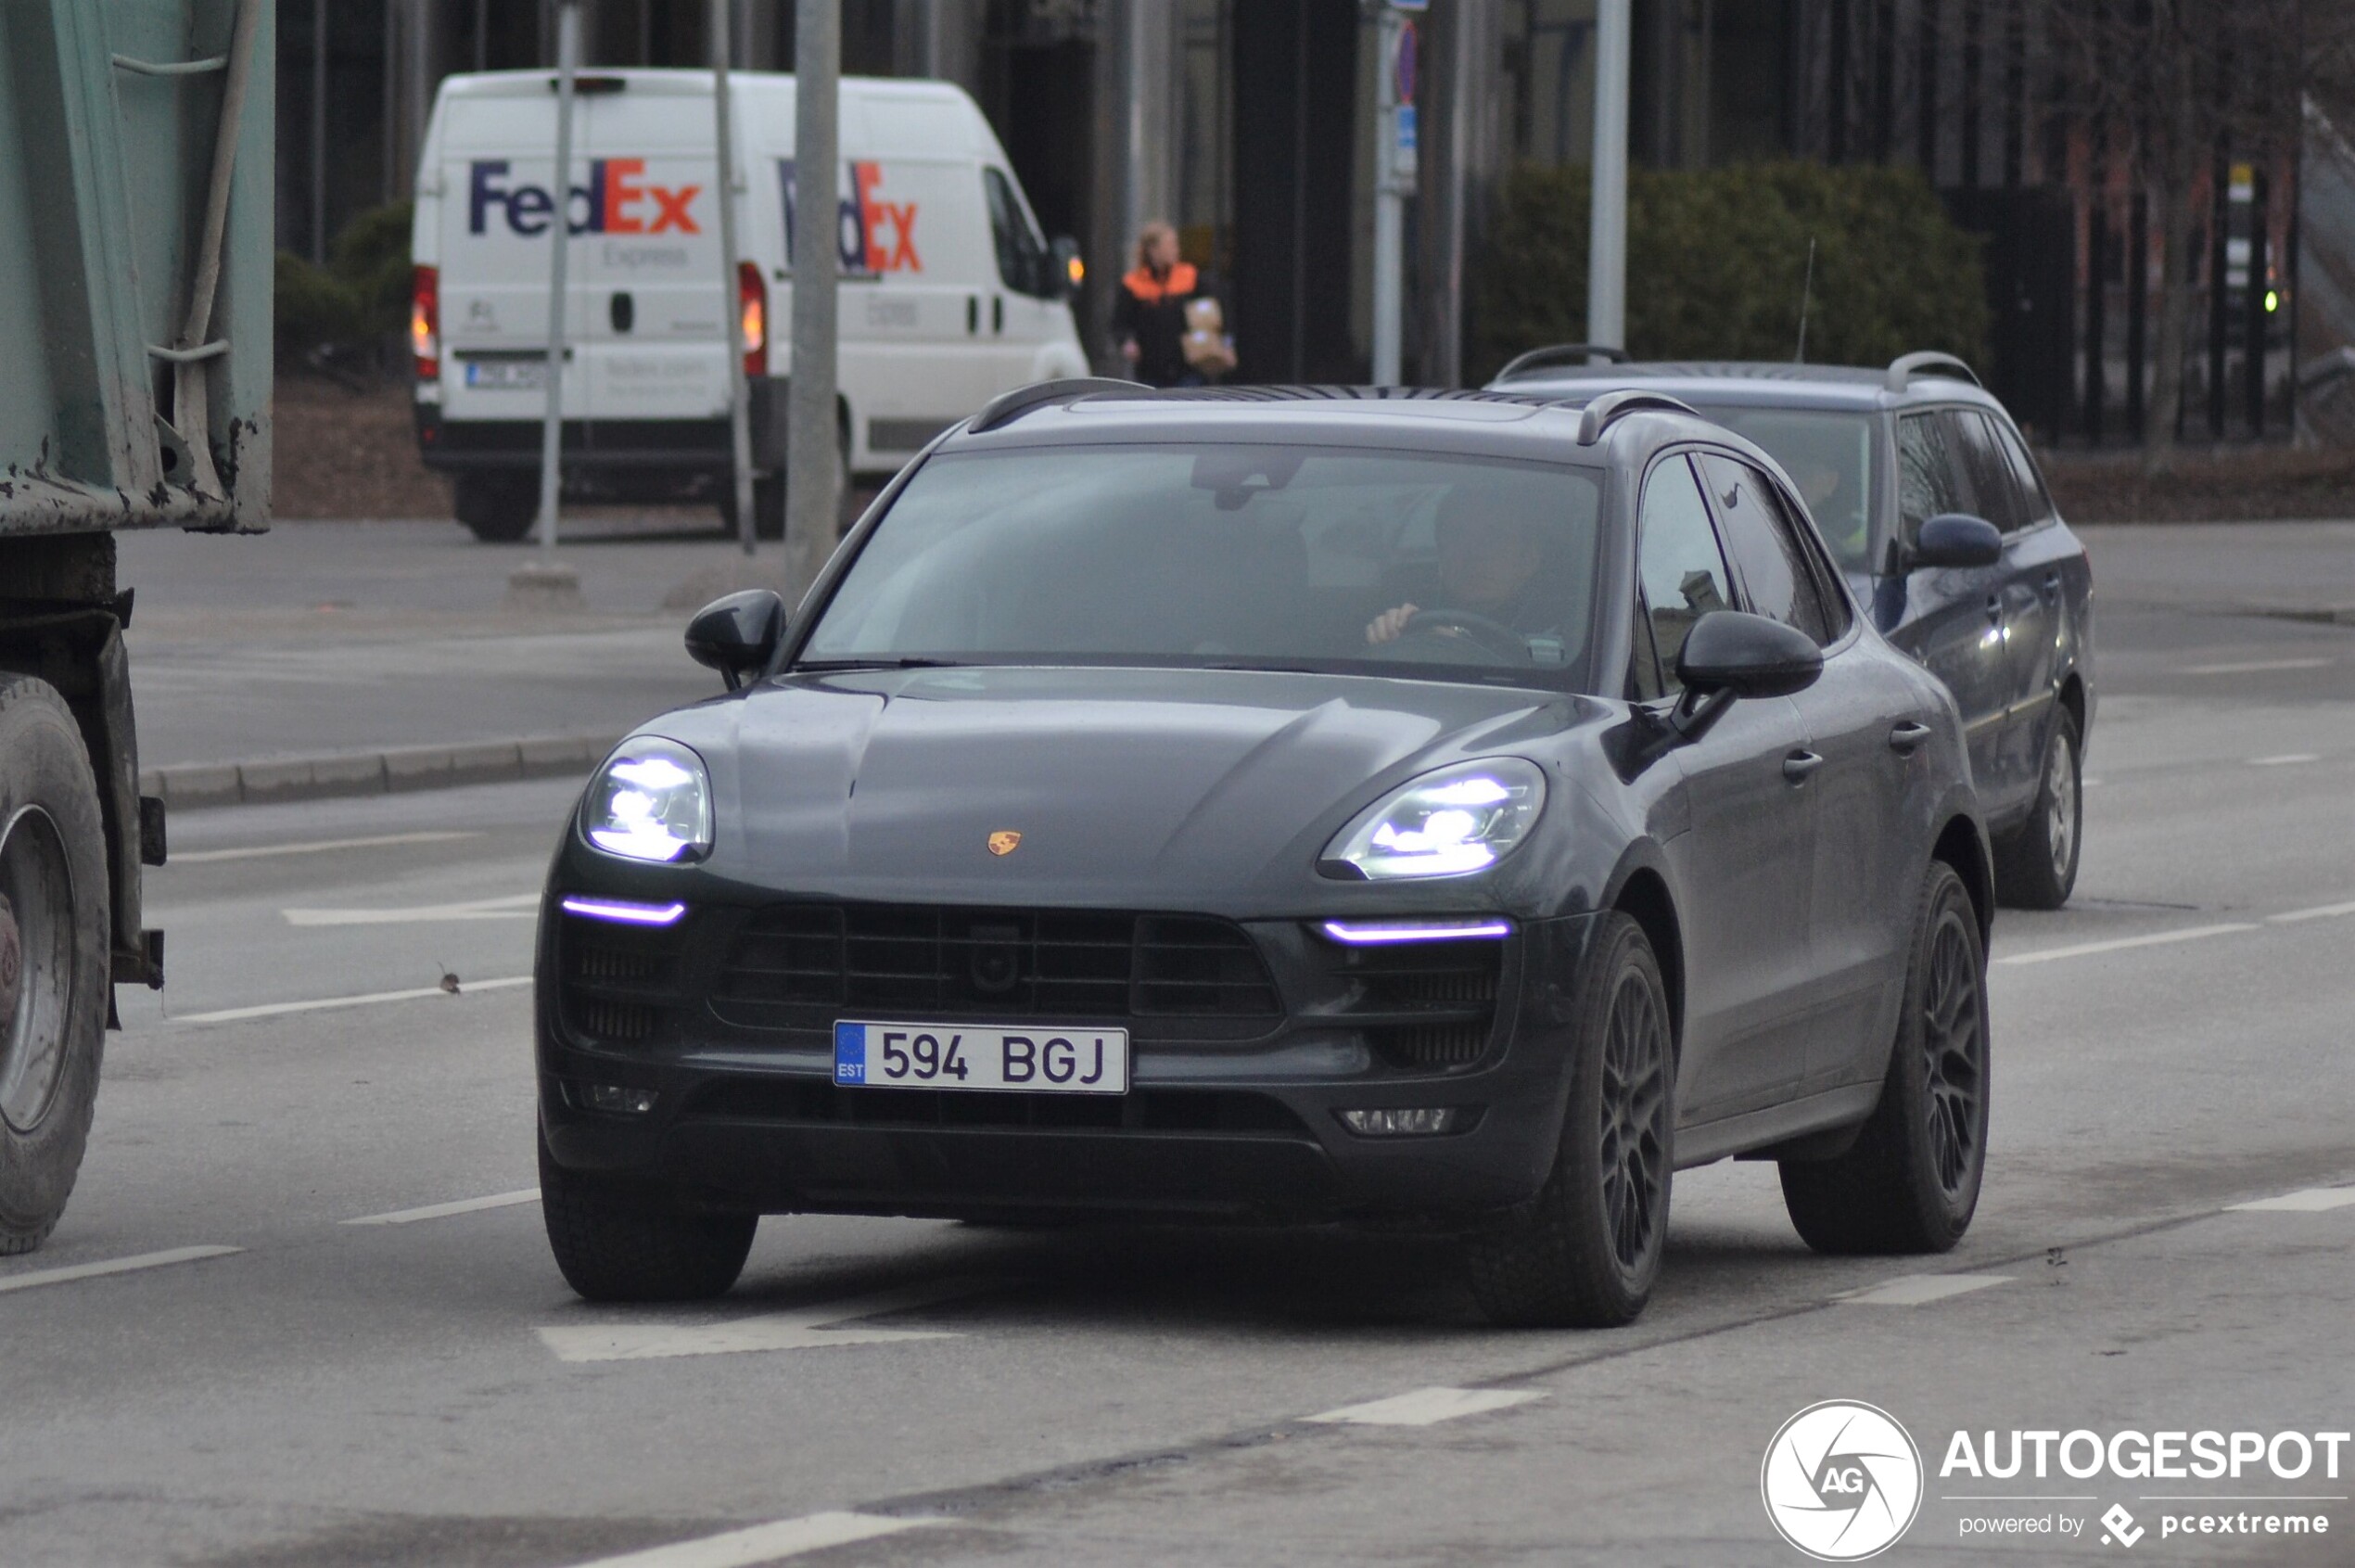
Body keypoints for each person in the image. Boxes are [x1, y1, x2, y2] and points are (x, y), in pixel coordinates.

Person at [1366, 486, 1563, 656]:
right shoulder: (1406, 602)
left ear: (1529, 559)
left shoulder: (1567, 627)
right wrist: (1389, 636)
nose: (1475, 554)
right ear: (1441, 549)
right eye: (1457, 535)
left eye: (1494, 538)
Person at [1112, 222, 1221, 388]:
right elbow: (1119, 323)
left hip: (1188, 368)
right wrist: (1126, 342)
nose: (1176, 249)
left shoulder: (1189, 276)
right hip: (1150, 370)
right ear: (1153, 250)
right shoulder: (1133, 284)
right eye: (1170, 244)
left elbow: (1212, 307)